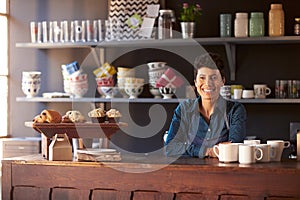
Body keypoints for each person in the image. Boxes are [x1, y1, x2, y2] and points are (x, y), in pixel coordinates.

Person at [164, 52, 247, 158]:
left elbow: (235, 147)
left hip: (224, 173)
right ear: (195, 82)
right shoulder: (184, 109)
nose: (208, 83)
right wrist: (206, 151)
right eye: (202, 78)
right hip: (189, 173)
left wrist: (187, 147)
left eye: (214, 78)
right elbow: (170, 148)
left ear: (223, 81)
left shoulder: (235, 110)